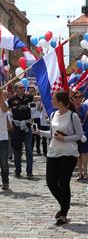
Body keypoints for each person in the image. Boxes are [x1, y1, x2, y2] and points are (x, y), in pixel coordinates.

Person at [33, 91, 83, 226]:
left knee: (64, 184)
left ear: (61, 101)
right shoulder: (53, 114)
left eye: (54, 99)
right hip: (53, 153)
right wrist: (38, 132)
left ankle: (63, 214)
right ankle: (64, 206)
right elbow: (51, 134)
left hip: (68, 154)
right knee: (51, 183)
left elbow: (79, 135)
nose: (52, 101)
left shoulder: (73, 116)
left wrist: (64, 138)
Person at [8, 82, 35, 178]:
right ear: (16, 90)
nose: (23, 89)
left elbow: (38, 98)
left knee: (29, 149)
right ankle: (17, 170)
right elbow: (5, 111)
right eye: (21, 87)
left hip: (27, 126)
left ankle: (29, 171)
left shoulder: (28, 97)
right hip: (16, 126)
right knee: (17, 149)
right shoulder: (11, 100)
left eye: (24, 87)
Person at [71, 91, 88, 182]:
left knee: (84, 153)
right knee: (77, 154)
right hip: (74, 134)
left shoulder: (85, 108)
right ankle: (80, 172)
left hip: (84, 133)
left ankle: (85, 172)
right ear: (72, 98)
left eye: (80, 97)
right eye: (76, 97)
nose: (78, 99)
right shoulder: (70, 109)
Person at [29, 86, 42, 155]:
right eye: (29, 91)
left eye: (32, 91)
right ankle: (31, 149)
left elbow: (39, 109)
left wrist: (40, 103)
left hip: (37, 118)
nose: (31, 93)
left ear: (35, 92)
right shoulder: (27, 99)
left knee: (38, 134)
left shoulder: (38, 99)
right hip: (30, 119)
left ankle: (38, 148)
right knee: (31, 135)